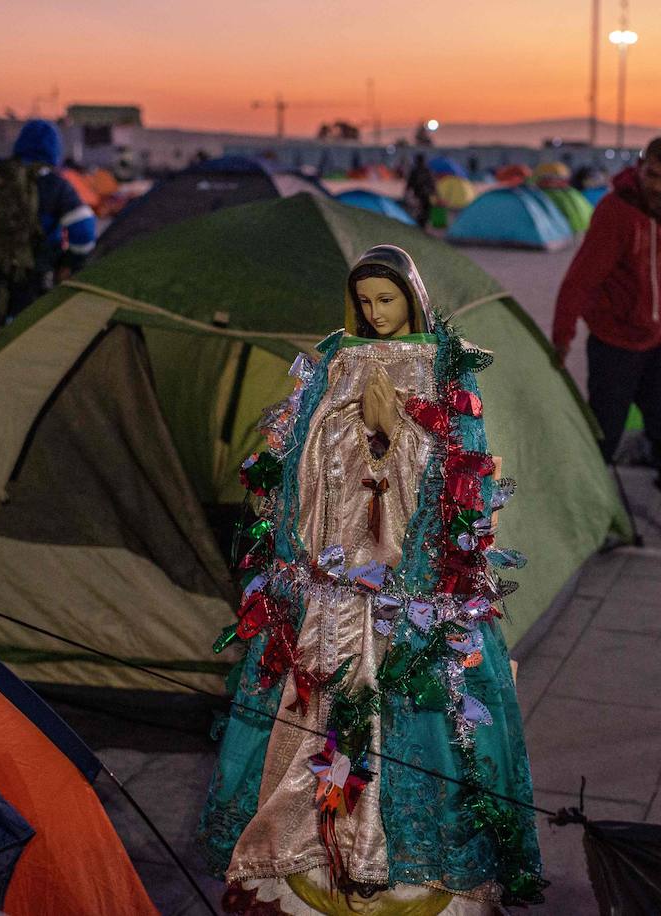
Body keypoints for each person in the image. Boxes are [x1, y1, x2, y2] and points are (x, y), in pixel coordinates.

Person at [199, 246, 544, 914]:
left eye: (387, 300)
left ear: (410, 297)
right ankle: (319, 850)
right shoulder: (336, 359)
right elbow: (305, 453)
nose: (375, 313)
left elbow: (459, 471)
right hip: (336, 583)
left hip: (408, 589)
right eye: (365, 301)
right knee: (320, 713)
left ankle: (407, 861)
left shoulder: (446, 364)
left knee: (415, 714)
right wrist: (337, 435)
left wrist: (398, 435)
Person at [551, 136, 661, 549]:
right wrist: (563, 338)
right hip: (613, 344)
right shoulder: (615, 211)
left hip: (655, 341)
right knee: (605, 435)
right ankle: (588, 520)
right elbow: (581, 278)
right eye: (653, 175)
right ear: (640, 167)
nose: (660, 185)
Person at [0, 119, 97, 325]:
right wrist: (69, 263)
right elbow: (85, 231)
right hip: (34, 283)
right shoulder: (55, 185)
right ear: (54, 151)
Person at [403, 153, 436, 227]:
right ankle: (422, 222)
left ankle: (420, 222)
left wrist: (406, 191)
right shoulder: (427, 170)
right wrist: (434, 192)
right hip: (426, 193)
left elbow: (410, 183)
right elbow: (432, 182)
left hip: (419, 193)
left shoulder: (415, 171)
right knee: (425, 209)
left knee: (420, 208)